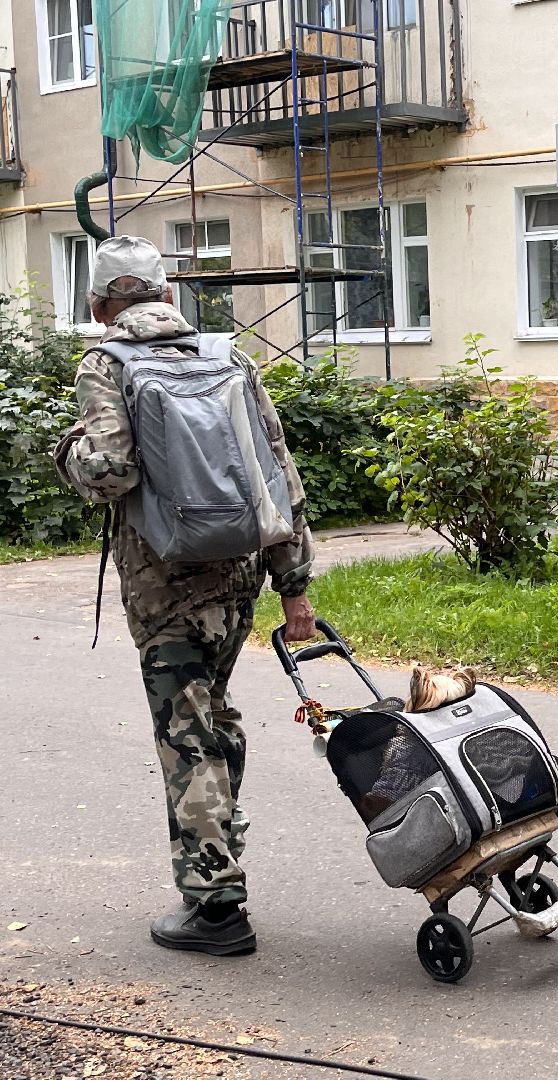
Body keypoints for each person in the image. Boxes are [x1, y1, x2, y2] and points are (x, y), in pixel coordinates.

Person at [54, 235, 318, 956]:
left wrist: (66, 451)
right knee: (213, 719)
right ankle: (221, 853)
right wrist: (295, 588)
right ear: (167, 294)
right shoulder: (228, 356)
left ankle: (215, 907)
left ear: (102, 305)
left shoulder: (106, 362)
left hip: (165, 582)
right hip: (238, 576)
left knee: (187, 735)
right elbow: (279, 477)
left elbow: (106, 469)